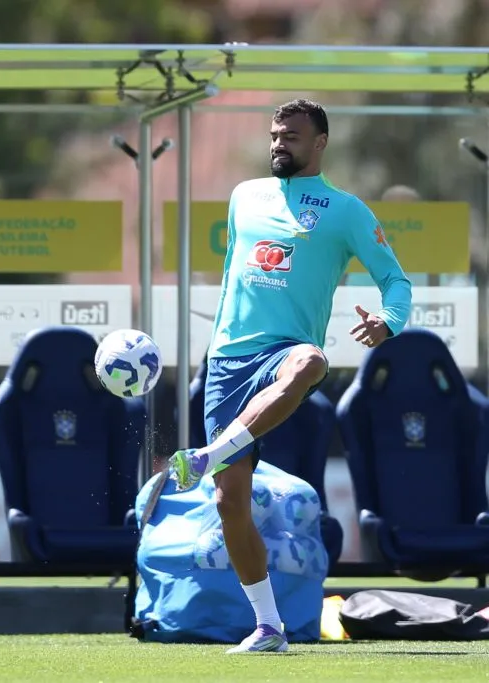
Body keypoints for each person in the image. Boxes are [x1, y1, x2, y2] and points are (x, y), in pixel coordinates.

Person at [167, 99, 412, 654]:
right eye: (276, 135)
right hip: (228, 361)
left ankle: (209, 454)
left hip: (285, 351)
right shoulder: (243, 195)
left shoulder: (345, 211)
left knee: (312, 361)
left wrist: (389, 322)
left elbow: (397, 282)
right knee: (231, 502)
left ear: (320, 143)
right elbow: (233, 273)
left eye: (293, 137)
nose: (280, 144)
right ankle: (269, 627)